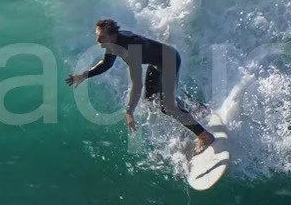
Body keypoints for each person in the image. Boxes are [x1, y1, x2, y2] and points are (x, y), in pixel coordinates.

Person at [66, 19, 216, 152]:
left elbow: (137, 84)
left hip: (169, 60)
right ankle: (196, 109)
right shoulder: (112, 43)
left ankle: (204, 136)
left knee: (167, 107)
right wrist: (83, 75)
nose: (98, 40)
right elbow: (106, 64)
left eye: (101, 37)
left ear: (112, 36)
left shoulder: (131, 48)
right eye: (97, 35)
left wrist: (129, 111)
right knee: (151, 99)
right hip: (157, 63)